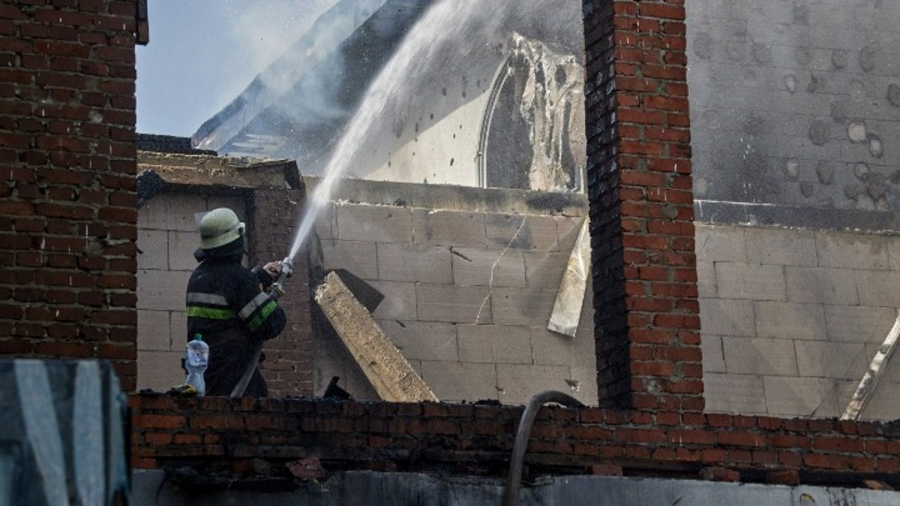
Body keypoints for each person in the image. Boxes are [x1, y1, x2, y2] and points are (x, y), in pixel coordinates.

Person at [184, 207, 286, 397]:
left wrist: (259, 276)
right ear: (236, 240)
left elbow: (229, 295)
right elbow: (270, 324)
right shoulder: (239, 280)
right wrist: (270, 299)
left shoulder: (198, 277)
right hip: (235, 375)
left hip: (206, 375)